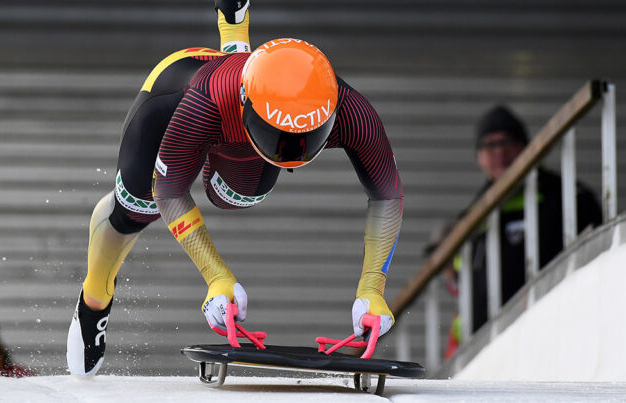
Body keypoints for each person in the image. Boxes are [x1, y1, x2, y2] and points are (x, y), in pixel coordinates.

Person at [67, 0, 403, 376]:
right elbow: (170, 192)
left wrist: (373, 288)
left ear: (330, 115)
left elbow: (387, 194)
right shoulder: (206, 103)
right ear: (247, 106)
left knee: (234, 196)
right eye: (276, 137)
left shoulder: (352, 109)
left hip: (235, 117)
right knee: (136, 208)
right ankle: (94, 302)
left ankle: (235, 39)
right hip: (177, 93)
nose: (291, 151)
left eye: (307, 138)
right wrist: (216, 278)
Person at [438, 105, 602, 358]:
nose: (499, 152)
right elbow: (460, 284)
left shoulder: (567, 197)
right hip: (483, 351)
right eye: (489, 146)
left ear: (525, 146)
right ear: (479, 157)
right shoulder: (471, 218)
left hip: (550, 339)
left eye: (507, 142)